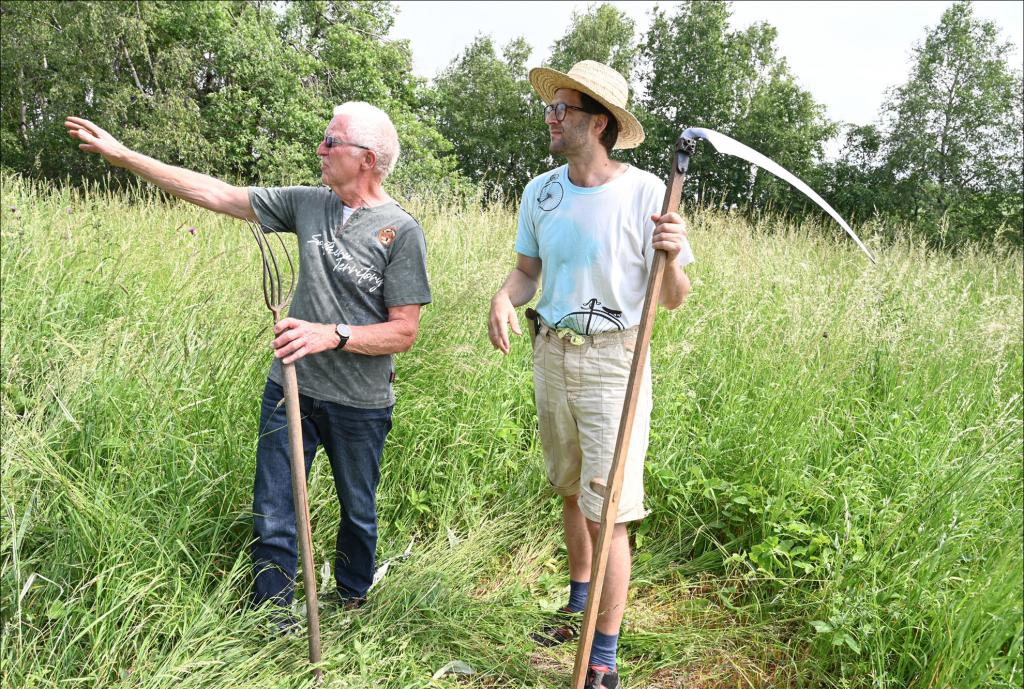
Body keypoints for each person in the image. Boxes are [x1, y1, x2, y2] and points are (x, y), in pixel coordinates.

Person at [66, 102, 431, 624]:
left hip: (361, 402)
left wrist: (333, 334)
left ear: (367, 158)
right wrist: (125, 157)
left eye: (332, 143)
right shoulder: (308, 205)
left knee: (358, 511)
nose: (320, 150)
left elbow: (404, 331)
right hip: (292, 387)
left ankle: (353, 600)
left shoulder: (401, 231)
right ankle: (274, 616)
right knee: (276, 506)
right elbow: (215, 193)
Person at [487, 61, 693, 689]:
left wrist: (673, 253)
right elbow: (527, 273)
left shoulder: (648, 194)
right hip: (552, 352)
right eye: (549, 108)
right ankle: (580, 600)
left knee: (611, 511)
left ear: (598, 122)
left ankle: (602, 653)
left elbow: (674, 297)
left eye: (563, 110)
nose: (550, 117)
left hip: (615, 359)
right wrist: (503, 298)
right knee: (572, 489)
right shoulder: (541, 191)